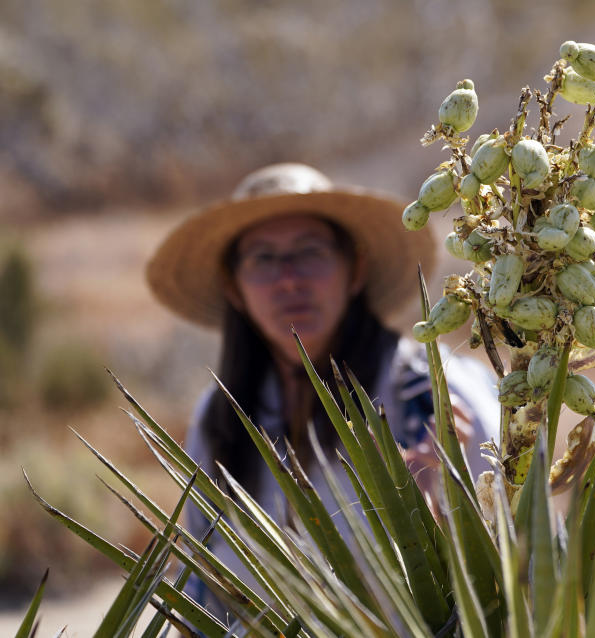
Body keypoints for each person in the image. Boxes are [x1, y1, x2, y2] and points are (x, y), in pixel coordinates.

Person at [145, 163, 498, 621]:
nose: (289, 279)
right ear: (234, 286)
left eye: (310, 251)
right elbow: (200, 581)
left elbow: (503, 572)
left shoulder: (430, 397)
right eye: (263, 259)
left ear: (355, 270)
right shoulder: (219, 417)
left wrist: (435, 504)